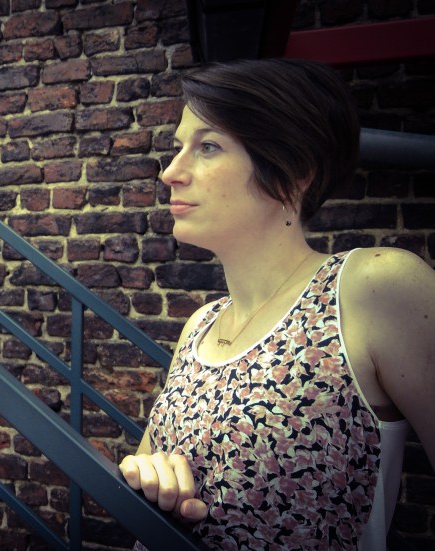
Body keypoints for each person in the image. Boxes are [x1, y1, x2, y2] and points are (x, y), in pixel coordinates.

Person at [118, 58, 435, 550]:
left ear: (293, 172)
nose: (171, 172)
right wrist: (150, 476)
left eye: (208, 146)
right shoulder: (200, 326)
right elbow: (146, 466)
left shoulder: (374, 288)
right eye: (178, 147)